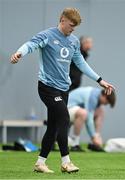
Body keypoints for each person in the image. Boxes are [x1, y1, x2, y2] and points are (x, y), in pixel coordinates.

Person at [10, 7, 114, 174]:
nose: (73, 29)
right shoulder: (47, 35)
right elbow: (30, 45)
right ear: (63, 19)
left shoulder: (73, 41)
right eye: (71, 25)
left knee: (53, 126)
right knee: (64, 117)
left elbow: (81, 63)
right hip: (47, 87)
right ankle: (66, 162)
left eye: (75, 27)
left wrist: (100, 80)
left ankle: (40, 163)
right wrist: (19, 53)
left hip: (63, 90)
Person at [68, 86, 116, 152]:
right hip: (64, 110)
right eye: (107, 102)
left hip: (72, 110)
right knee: (83, 113)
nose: (105, 104)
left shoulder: (97, 94)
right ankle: (75, 144)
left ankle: (94, 143)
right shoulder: (93, 97)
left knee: (100, 111)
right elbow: (89, 120)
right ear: (104, 96)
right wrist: (93, 137)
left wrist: (96, 136)